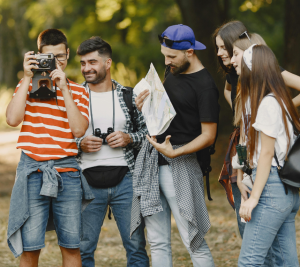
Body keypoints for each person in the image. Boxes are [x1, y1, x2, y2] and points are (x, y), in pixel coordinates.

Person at [6, 29, 94, 267]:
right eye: (49, 58)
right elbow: (12, 120)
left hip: (68, 173)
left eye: (60, 57)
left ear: (67, 54)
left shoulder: (78, 90)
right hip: (33, 171)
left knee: (71, 246)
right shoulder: (26, 87)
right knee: (30, 249)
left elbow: (78, 131)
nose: (56, 63)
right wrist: (27, 78)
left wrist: (64, 89)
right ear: (38, 56)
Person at [133, 24, 218, 267]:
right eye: (164, 56)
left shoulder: (205, 86)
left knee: (194, 241)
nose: (167, 62)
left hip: (180, 166)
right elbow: (169, 115)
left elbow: (209, 135)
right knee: (158, 242)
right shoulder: (173, 72)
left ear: (189, 51)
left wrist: (176, 152)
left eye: (172, 57)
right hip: (153, 163)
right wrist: (146, 106)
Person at [213, 21, 300, 239]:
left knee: (258, 225)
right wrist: (240, 111)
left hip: (262, 149)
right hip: (243, 146)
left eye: (224, 48)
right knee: (242, 209)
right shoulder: (233, 74)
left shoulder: (265, 72)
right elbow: (228, 92)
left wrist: (280, 106)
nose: (220, 53)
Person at [75, 36, 149, 267]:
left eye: (92, 62)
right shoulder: (74, 97)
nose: (86, 68)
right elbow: (59, 137)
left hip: (126, 179)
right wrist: (80, 144)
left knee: (136, 245)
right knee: (82, 248)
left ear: (107, 63)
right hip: (85, 180)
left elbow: (148, 135)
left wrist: (128, 138)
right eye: (83, 63)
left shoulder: (129, 96)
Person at [236, 44, 300, 266]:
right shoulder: (281, 101)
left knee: (249, 261)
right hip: (287, 191)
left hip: (272, 190)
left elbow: (266, 154)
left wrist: (254, 198)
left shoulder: (267, 104)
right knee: (286, 261)